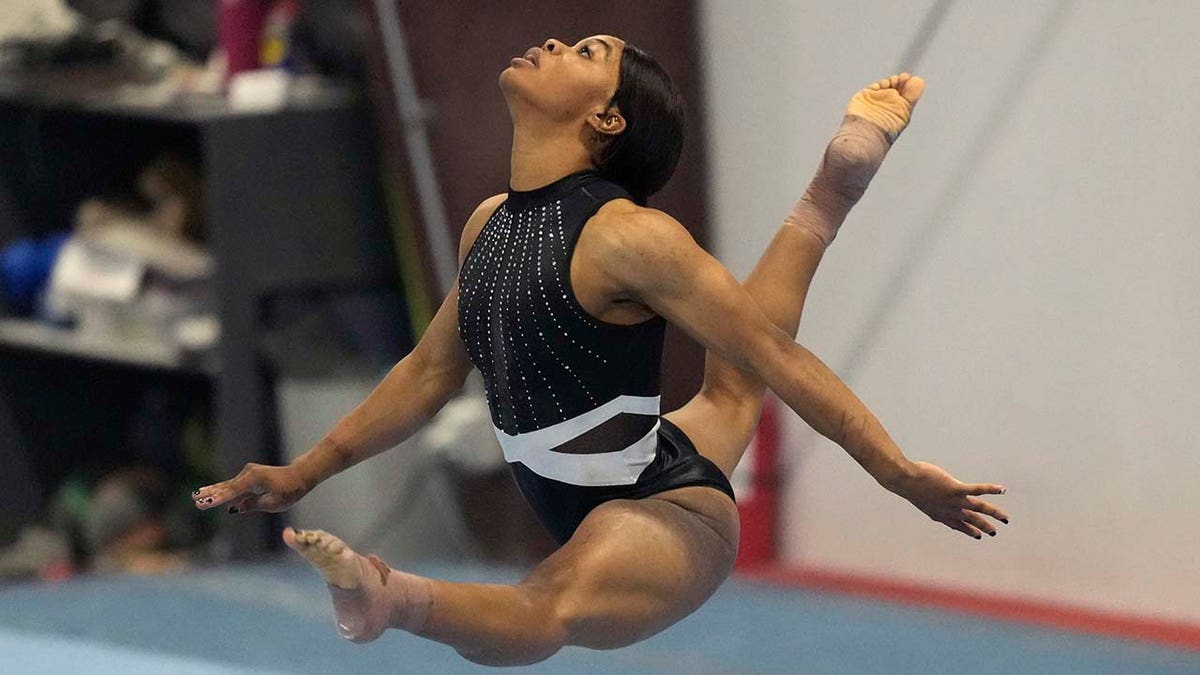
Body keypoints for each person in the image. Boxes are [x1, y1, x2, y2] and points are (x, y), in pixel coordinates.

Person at [192, 35, 1010, 666]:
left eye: (586, 54)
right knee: (728, 394)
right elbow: (429, 372)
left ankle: (390, 599)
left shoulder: (628, 238)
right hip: (641, 452)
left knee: (549, 602)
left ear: (607, 119)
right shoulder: (489, 224)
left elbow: (781, 360)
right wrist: (305, 471)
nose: (553, 43)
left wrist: (898, 472)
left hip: (667, 513)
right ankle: (836, 181)